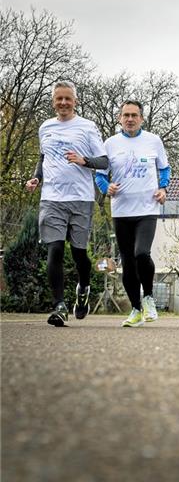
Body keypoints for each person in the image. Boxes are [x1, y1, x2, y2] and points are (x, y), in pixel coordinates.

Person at [25, 81, 109, 327]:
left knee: (79, 253)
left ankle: (83, 288)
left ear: (75, 101)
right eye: (58, 98)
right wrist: (37, 177)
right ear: (53, 101)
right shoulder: (45, 127)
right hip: (51, 199)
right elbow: (43, 158)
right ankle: (59, 305)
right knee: (55, 249)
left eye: (67, 99)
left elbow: (104, 162)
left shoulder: (87, 127)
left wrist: (84, 160)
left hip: (81, 199)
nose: (63, 103)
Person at [95, 100, 170, 327]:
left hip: (147, 208)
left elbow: (164, 168)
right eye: (126, 115)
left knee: (141, 254)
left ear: (141, 118)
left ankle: (148, 298)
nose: (130, 119)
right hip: (121, 210)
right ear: (120, 118)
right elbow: (100, 175)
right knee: (127, 262)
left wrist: (163, 187)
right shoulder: (109, 144)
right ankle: (136, 309)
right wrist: (105, 188)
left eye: (134, 115)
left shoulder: (153, 141)